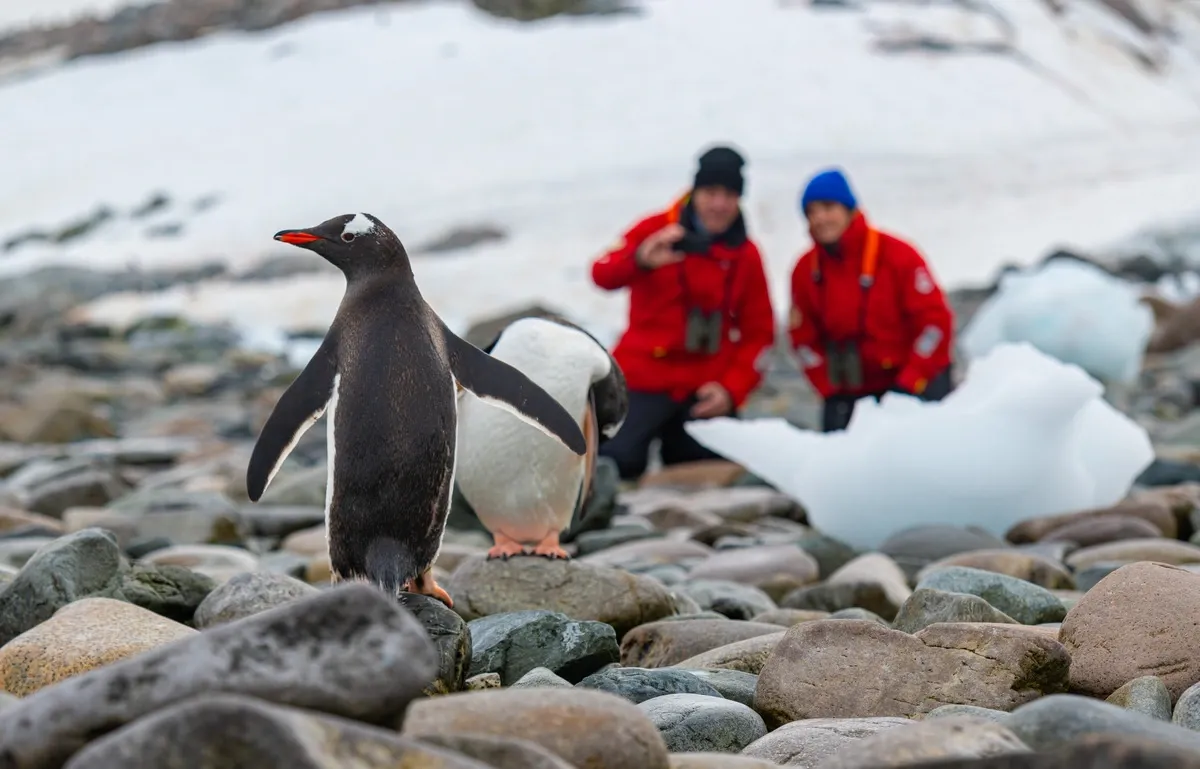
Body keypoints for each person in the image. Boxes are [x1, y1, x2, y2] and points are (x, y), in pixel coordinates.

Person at [590, 145, 776, 479]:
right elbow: (601, 274)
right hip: (641, 379)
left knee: (714, 469)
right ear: (695, 191)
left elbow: (760, 333)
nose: (719, 204)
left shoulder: (745, 255)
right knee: (615, 464)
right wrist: (640, 261)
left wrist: (731, 390)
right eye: (711, 192)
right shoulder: (655, 230)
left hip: (704, 387)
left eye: (729, 195)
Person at [787, 167, 955, 433]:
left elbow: (935, 324)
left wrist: (910, 382)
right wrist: (827, 387)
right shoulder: (805, 271)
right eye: (811, 212)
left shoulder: (897, 255)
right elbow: (802, 338)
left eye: (828, 207)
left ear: (849, 209)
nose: (820, 218)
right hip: (850, 390)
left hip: (912, 381)